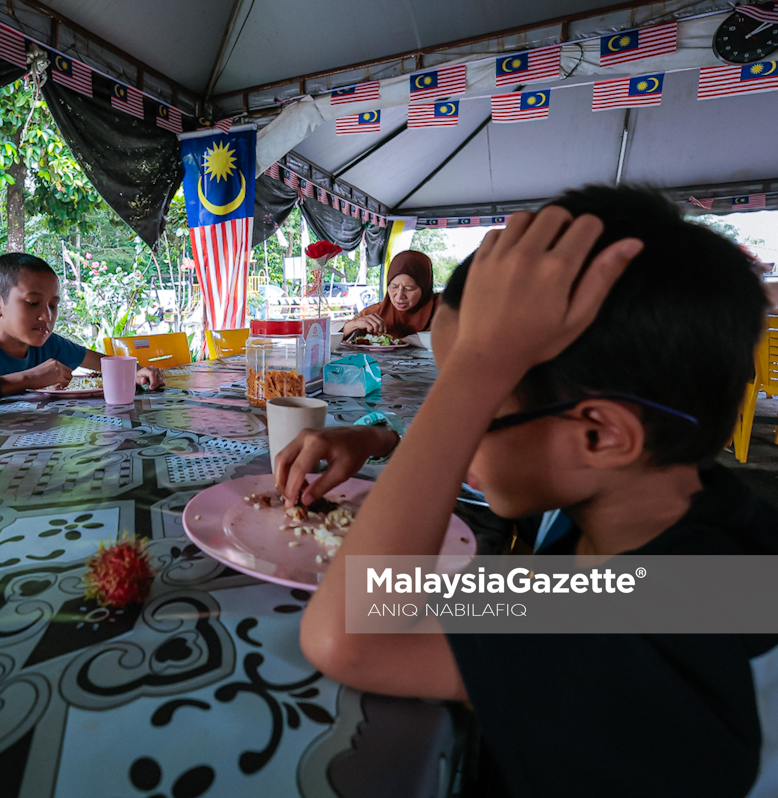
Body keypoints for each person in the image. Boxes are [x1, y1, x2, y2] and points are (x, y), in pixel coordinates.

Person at [280, 185, 778, 797]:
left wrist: (480, 364)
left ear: (600, 435)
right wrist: (383, 438)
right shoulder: (667, 516)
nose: (456, 430)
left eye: (476, 405)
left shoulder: (638, 622)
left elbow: (353, 630)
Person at [0, 253, 164, 401]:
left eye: (53, 305)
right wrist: (26, 378)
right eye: (33, 303)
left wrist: (139, 372)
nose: (46, 317)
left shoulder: (50, 345)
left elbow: (106, 363)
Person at [340, 250, 438, 339]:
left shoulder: (441, 310)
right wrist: (352, 325)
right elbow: (336, 340)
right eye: (394, 287)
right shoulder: (376, 312)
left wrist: (407, 341)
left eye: (409, 289)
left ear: (425, 288)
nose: (399, 296)